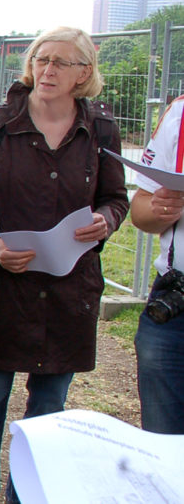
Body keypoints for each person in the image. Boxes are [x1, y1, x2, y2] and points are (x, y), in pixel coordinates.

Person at [0, 26, 129, 504]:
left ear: (83, 73)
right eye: (41, 59)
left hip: (69, 290)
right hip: (4, 287)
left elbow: (115, 198)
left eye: (60, 62)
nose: (47, 70)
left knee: (50, 405)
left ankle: (26, 495)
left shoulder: (101, 129)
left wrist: (107, 220)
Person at [129, 96, 184, 435]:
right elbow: (141, 210)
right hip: (174, 304)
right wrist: (162, 209)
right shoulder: (180, 113)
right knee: (163, 445)